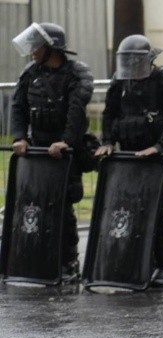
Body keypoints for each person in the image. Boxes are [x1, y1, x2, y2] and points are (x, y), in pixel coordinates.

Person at [95, 34, 163, 287]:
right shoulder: (121, 80)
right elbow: (110, 113)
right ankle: (133, 262)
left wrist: (160, 147)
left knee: (157, 208)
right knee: (125, 208)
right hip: (128, 157)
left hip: (157, 160)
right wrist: (107, 142)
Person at [10, 22, 94, 283]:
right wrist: (20, 137)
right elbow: (18, 106)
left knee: (63, 206)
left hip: (64, 153)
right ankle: (36, 257)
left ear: (52, 48)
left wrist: (66, 141)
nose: (33, 51)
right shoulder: (30, 73)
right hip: (37, 150)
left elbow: (76, 112)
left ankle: (69, 262)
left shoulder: (76, 74)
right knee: (34, 204)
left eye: (38, 46)